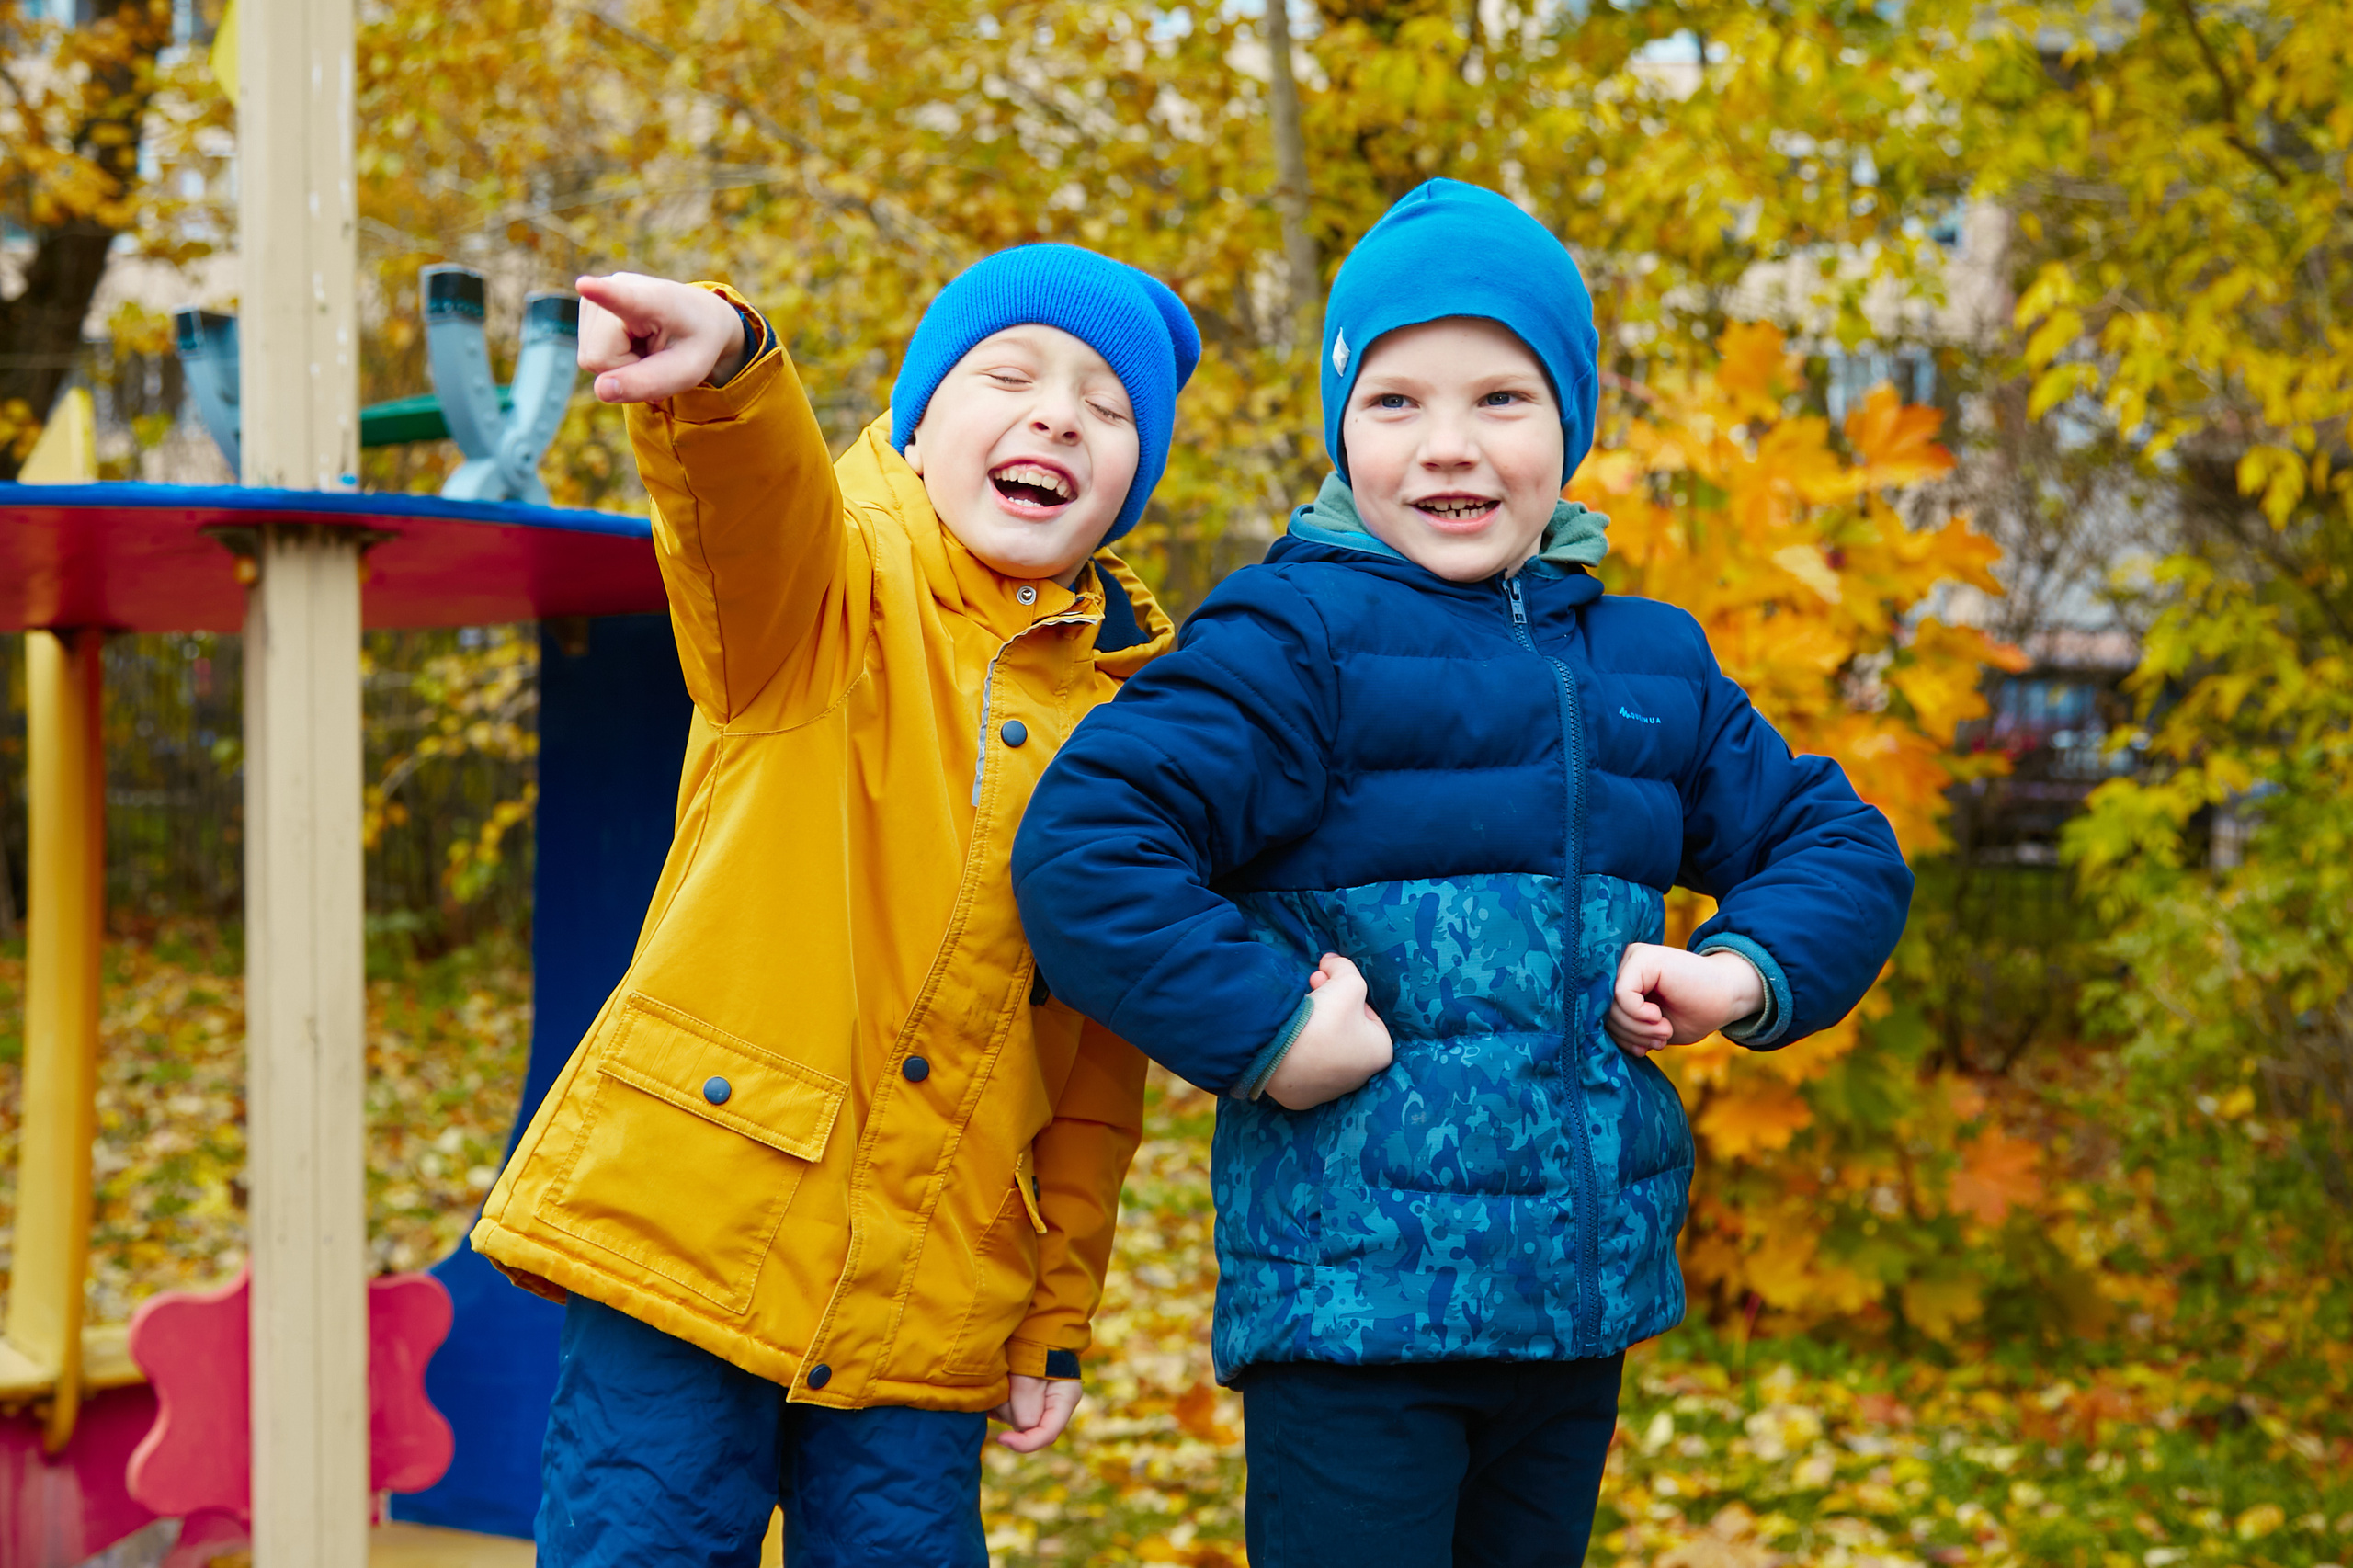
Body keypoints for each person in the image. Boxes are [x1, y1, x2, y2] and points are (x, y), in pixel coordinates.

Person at [1009, 179, 1913, 1567]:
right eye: (1395, 402)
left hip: (1573, 1307)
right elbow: (1086, 848)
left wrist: (1734, 969)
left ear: (1571, 425)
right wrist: (1270, 1030)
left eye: (1502, 398)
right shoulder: (1294, 638)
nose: (1450, 447)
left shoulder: (1647, 665)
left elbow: (1838, 842)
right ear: (1340, 427)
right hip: (1356, 1314)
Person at [471, 245, 1200, 1567]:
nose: (1056, 415)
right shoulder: (826, 595)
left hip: (930, 1291)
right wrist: (732, 374)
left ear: (1128, 485)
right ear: (920, 420)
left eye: (1107, 406)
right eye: (1012, 374)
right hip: (694, 1240)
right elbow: (749, 514)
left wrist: (1058, 1305)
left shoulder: (1130, 735)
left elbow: (1096, 1064)